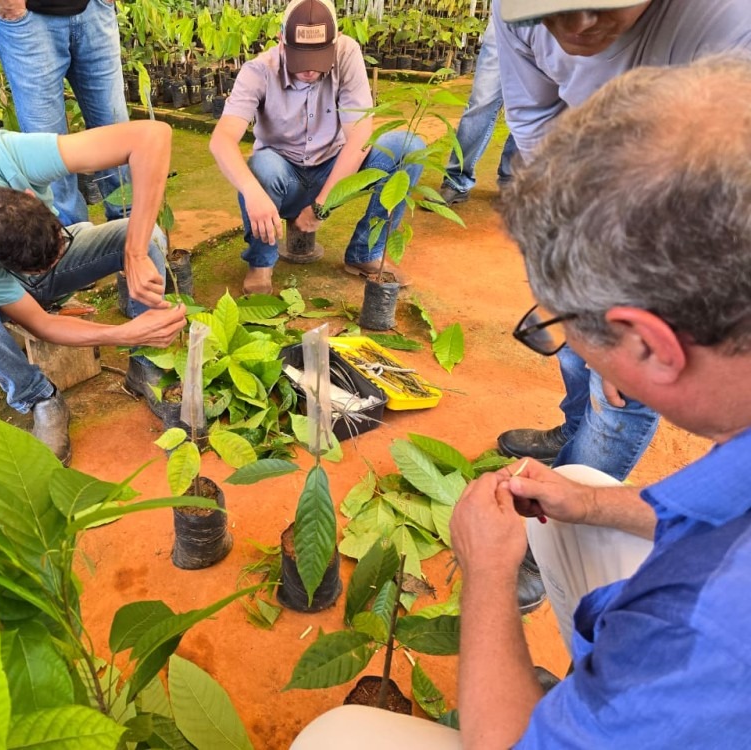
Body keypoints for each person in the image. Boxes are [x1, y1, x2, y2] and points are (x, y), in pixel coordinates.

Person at [293, 54, 751, 749]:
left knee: (337, 737)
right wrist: (589, 503)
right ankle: (595, 699)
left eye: (559, 326)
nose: (562, 342)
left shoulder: (704, 630)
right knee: (584, 482)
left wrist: (487, 572)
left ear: (653, 346)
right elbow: (718, 513)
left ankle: (592, 715)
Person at [493, 0, 751, 476]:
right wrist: (565, 245)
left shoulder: (732, 20)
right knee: (579, 343)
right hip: (597, 191)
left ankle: (578, 493)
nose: (577, 25)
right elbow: (533, 120)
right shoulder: (512, 12)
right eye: (551, 11)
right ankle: (575, 430)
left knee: (621, 392)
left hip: (690, 209)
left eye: (599, 5)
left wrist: (619, 348)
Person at [0, 122, 187, 465]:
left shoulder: (6, 155)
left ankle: (146, 365)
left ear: (29, 196)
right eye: (41, 268)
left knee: (149, 238)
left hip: (19, 259)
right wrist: (121, 333)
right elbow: (40, 324)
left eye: (59, 244)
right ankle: (40, 398)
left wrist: (134, 251)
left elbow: (153, 135)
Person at [209, 0, 423, 296]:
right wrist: (252, 192)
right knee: (260, 169)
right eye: (300, 58)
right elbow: (221, 140)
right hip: (282, 175)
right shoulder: (258, 70)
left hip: (335, 167)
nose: (309, 70)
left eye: (319, 58)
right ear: (281, 41)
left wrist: (322, 206)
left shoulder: (347, 53)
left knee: (408, 149)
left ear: (335, 42)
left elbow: (360, 135)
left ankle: (365, 252)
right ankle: (261, 262)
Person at [0, 0, 131, 226]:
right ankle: (71, 239)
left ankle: (132, 234)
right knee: (46, 150)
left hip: (95, 9)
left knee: (117, 134)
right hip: (28, 19)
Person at [437, 17, 520, 207]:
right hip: (506, 18)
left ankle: (512, 179)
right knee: (481, 100)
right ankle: (457, 179)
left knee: (529, 106)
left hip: (551, 21)